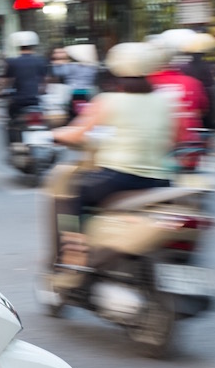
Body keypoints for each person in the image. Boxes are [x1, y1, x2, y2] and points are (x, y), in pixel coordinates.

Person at [51, 42, 175, 269]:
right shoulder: (164, 100)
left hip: (119, 178)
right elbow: (170, 141)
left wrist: (56, 134)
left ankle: (73, 254)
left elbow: (78, 133)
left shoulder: (108, 100)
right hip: (162, 181)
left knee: (72, 194)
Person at [147, 30, 210, 146]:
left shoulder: (146, 83)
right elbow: (202, 110)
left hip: (156, 144)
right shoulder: (192, 83)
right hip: (188, 146)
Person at [0, 31, 51, 145]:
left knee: (10, 122)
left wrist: (3, 91)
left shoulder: (12, 62)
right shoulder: (41, 61)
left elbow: (6, 81)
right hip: (36, 100)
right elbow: (45, 81)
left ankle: (14, 144)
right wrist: (42, 91)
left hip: (18, 101)